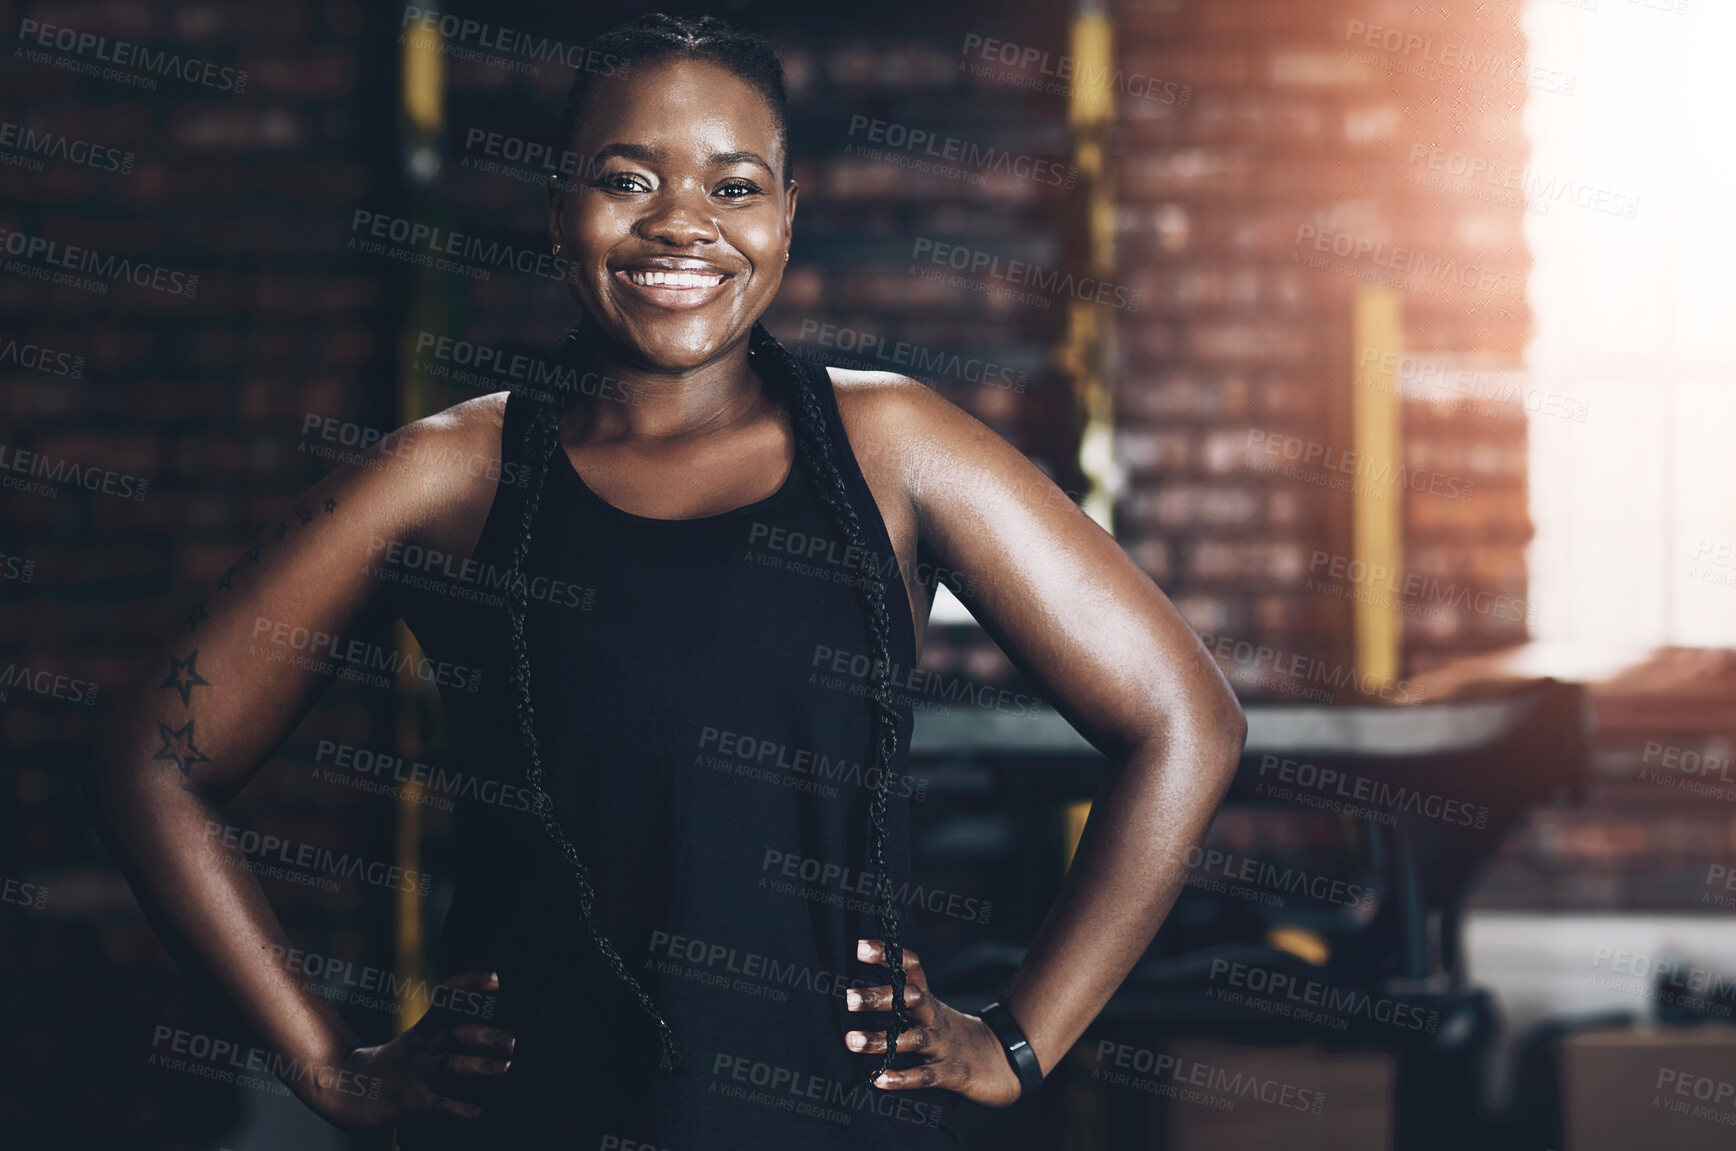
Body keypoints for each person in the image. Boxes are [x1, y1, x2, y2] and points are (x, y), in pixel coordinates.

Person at [81, 13, 1247, 1149]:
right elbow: (152, 757)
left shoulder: (895, 447)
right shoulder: (446, 473)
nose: (681, 224)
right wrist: (330, 1063)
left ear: (788, 219)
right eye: (628, 179)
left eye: (734, 187)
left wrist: (1020, 1038)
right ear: (557, 211)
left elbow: (1183, 720)